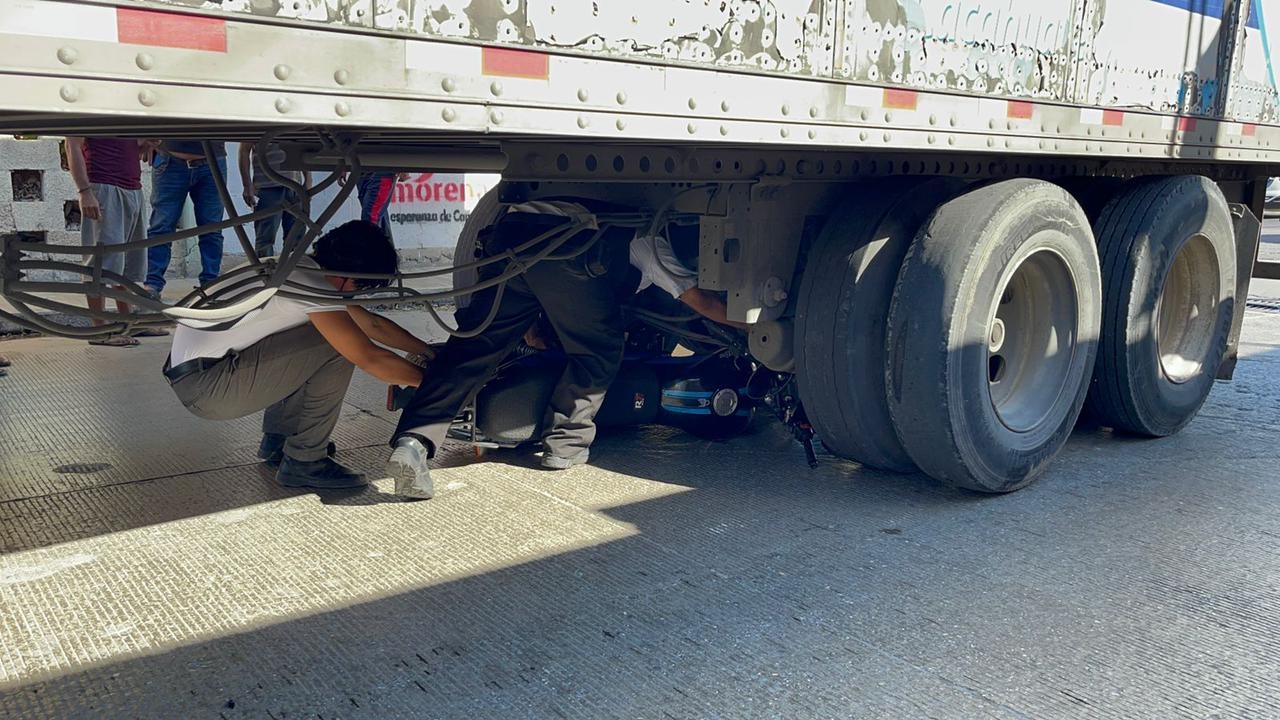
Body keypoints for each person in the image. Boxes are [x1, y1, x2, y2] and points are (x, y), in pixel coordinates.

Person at [384, 200, 744, 494]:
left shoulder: (596, 204)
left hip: (508, 235)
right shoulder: (648, 241)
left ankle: (413, 442)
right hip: (566, 245)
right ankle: (565, 445)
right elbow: (701, 302)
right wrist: (758, 327)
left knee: (475, 347)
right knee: (598, 351)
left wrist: (527, 327)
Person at [163, 220, 434, 492]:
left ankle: (279, 439)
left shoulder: (298, 268)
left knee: (329, 330)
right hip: (209, 388)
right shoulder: (311, 287)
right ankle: (306, 460)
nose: (358, 294)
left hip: (197, 375)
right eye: (360, 287)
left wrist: (427, 351)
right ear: (349, 275)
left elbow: (372, 324)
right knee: (335, 344)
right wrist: (434, 384)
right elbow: (369, 357)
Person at [66, 136, 168, 347]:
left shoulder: (119, 109)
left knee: (128, 263)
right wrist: (84, 191)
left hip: (131, 186)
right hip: (103, 186)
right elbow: (72, 144)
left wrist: (145, 144)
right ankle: (100, 330)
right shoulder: (86, 108)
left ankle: (129, 322)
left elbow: (130, 147)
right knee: (99, 264)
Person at [144, 140, 228, 298]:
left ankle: (211, 284)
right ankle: (152, 284)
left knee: (212, 228)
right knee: (161, 226)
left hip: (211, 160)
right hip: (171, 159)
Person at [238, 142, 311, 258]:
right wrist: (247, 185)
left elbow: (301, 148)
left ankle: (295, 272)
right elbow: (244, 149)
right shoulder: (255, 124)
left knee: (296, 237)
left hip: (294, 186)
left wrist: (308, 179)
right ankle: (264, 273)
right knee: (265, 238)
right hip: (267, 186)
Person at [356, 171, 407, 240]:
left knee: (370, 218)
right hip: (362, 170)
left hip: (382, 170)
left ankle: (371, 249)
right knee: (377, 216)